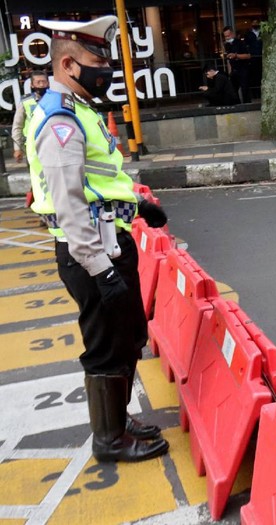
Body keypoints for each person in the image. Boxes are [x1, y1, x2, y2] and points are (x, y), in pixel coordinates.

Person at [26, 15, 170, 462]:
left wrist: (137, 206)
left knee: (128, 338)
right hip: (91, 254)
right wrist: (102, 270)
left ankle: (118, 418)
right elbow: (69, 205)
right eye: (96, 59)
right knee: (106, 345)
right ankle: (109, 441)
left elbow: (98, 182)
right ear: (68, 65)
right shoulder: (60, 120)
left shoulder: (82, 111)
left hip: (110, 242)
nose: (104, 68)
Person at [11, 70, 50, 163]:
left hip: (51, 143)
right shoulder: (25, 101)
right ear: (32, 85)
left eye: (43, 82)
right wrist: (17, 149)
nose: (41, 85)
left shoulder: (56, 99)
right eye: (38, 82)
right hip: (32, 146)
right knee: (35, 175)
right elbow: (17, 126)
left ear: (48, 83)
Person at [223, 25, 252, 103]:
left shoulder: (240, 43)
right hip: (234, 70)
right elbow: (228, 60)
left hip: (243, 69)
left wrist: (236, 55)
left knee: (245, 89)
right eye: (225, 36)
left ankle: (247, 105)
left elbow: (248, 56)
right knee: (233, 90)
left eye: (228, 36)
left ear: (232, 34)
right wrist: (230, 72)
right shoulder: (227, 45)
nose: (227, 38)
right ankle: (237, 105)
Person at [245, 19, 263, 99]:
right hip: (253, 58)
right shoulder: (248, 34)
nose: (255, 24)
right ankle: (255, 94)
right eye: (254, 23)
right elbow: (246, 45)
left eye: (257, 23)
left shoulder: (262, 33)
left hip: (261, 56)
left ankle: (261, 93)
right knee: (254, 77)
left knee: (261, 75)